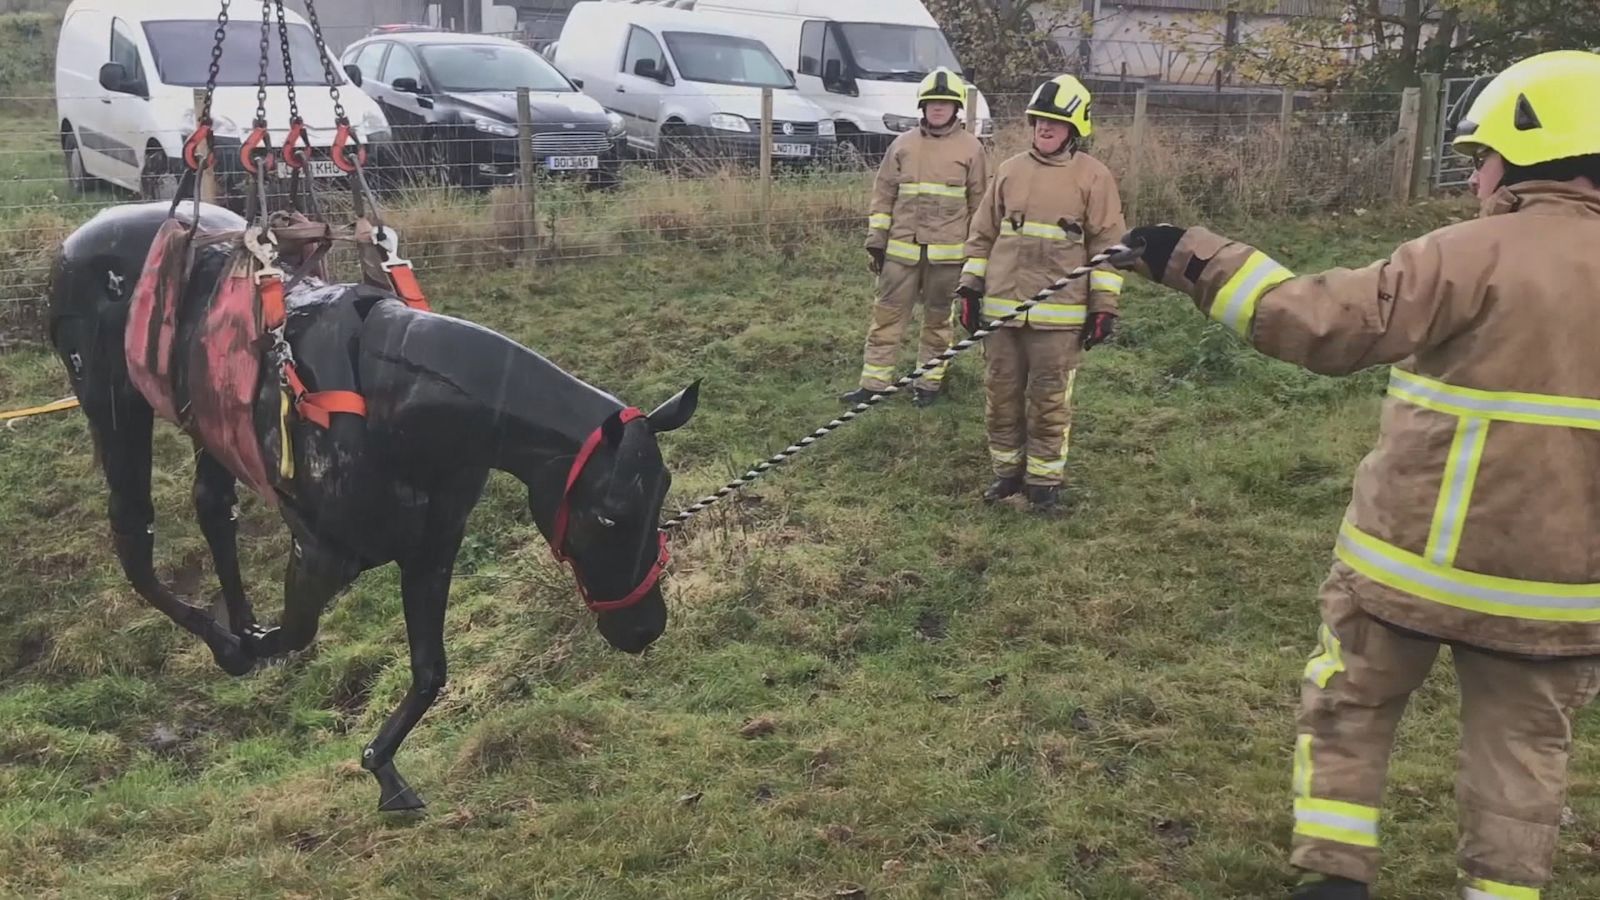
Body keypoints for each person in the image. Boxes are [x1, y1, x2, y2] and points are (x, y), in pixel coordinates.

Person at [1118, 50, 1600, 900]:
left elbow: (1323, 323)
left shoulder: (1467, 252)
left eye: (1479, 158)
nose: (1474, 180)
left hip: (1407, 566)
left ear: (1529, 151)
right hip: (1557, 594)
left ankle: (1334, 876)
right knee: (1526, 751)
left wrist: (1190, 258)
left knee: (1352, 707)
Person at [954, 74, 1125, 514]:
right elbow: (981, 235)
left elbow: (1107, 247)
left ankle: (1044, 483)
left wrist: (1103, 306)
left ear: (1075, 128)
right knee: (1001, 396)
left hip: (1059, 319)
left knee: (1049, 402)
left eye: (1054, 122)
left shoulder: (1094, 178)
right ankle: (1007, 474)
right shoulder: (1010, 170)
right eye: (1038, 121)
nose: (1044, 129)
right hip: (1001, 314)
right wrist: (970, 287)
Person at [843, 66, 989, 409]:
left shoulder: (972, 149)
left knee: (938, 320)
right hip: (900, 253)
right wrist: (876, 241)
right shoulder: (902, 145)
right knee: (886, 316)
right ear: (922, 107)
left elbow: (980, 205)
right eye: (932, 103)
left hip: (949, 257)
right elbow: (883, 196)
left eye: (945, 103)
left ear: (956, 109)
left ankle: (930, 384)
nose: (938, 108)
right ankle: (874, 384)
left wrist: (976, 256)